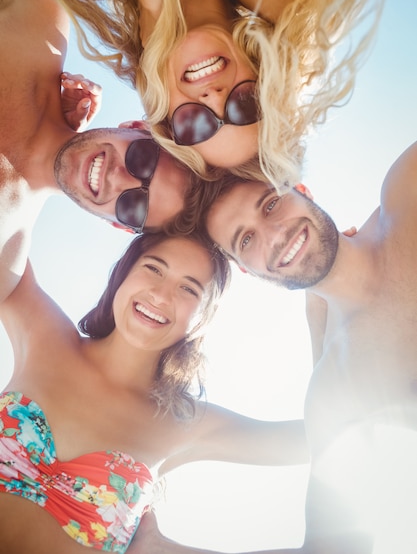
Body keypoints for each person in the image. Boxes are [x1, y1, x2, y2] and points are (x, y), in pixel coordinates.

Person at [131, 139, 417, 554]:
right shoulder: (337, 390)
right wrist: (160, 549)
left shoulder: (405, 192)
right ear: (250, 272)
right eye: (245, 241)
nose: (275, 235)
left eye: (270, 205)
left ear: (301, 191)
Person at [6, 0, 417, 188]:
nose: (214, 98)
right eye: (245, 104)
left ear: (161, 110)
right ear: (263, 70)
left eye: (195, 123)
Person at [0, 230, 310, 553]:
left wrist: (323, 310)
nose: (161, 295)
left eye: (188, 289)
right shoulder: (47, 338)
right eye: (154, 268)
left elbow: (317, 440)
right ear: (125, 272)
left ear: (202, 319)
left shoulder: (182, 423)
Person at [0, 0, 193, 305]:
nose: (119, 179)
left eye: (133, 206)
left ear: (118, 223)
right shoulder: (39, 26)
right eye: (143, 159)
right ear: (136, 125)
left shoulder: (4, 262)